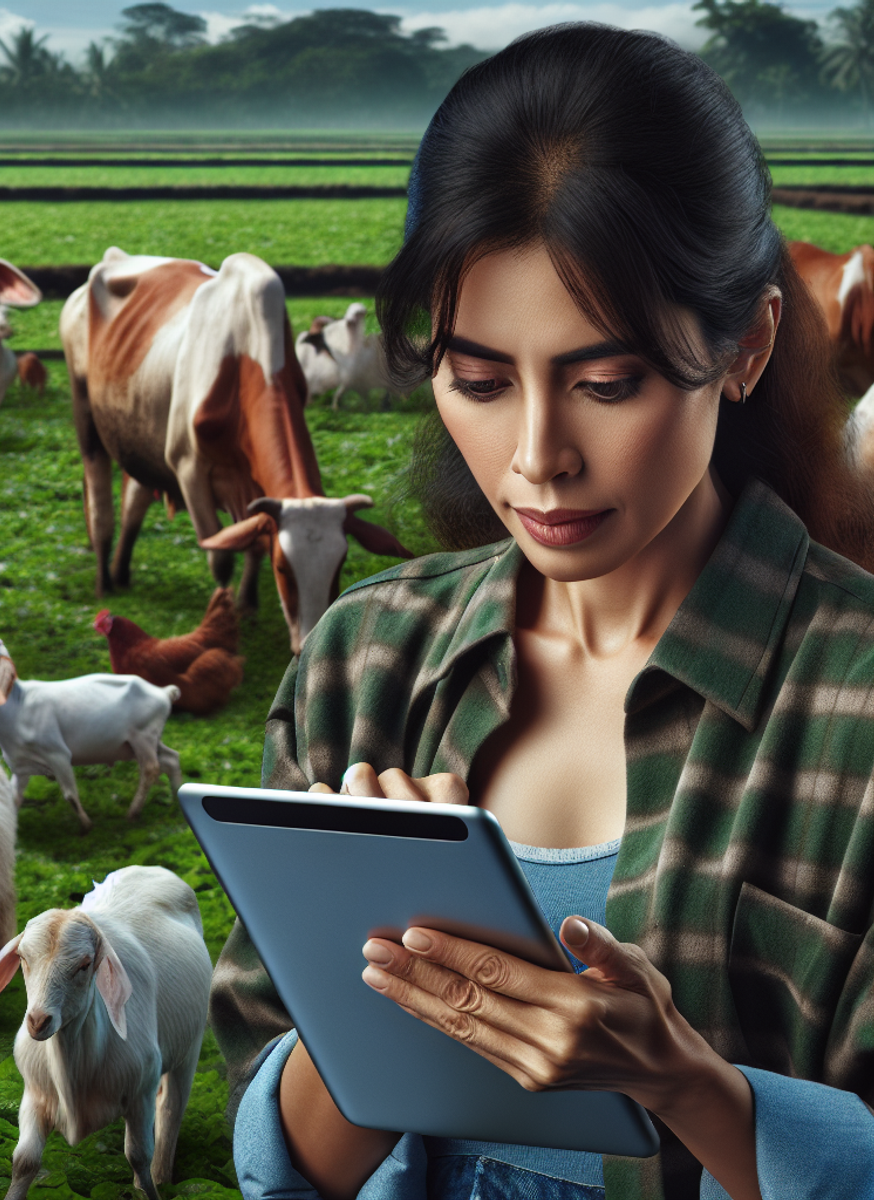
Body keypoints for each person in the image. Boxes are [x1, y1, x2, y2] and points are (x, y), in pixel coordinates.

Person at [208, 23, 874, 1200]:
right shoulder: (366, 661)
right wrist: (382, 1006)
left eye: (606, 383)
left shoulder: (853, 701)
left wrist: (690, 1089)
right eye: (476, 380)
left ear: (747, 346)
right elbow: (278, 1164)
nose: (534, 459)